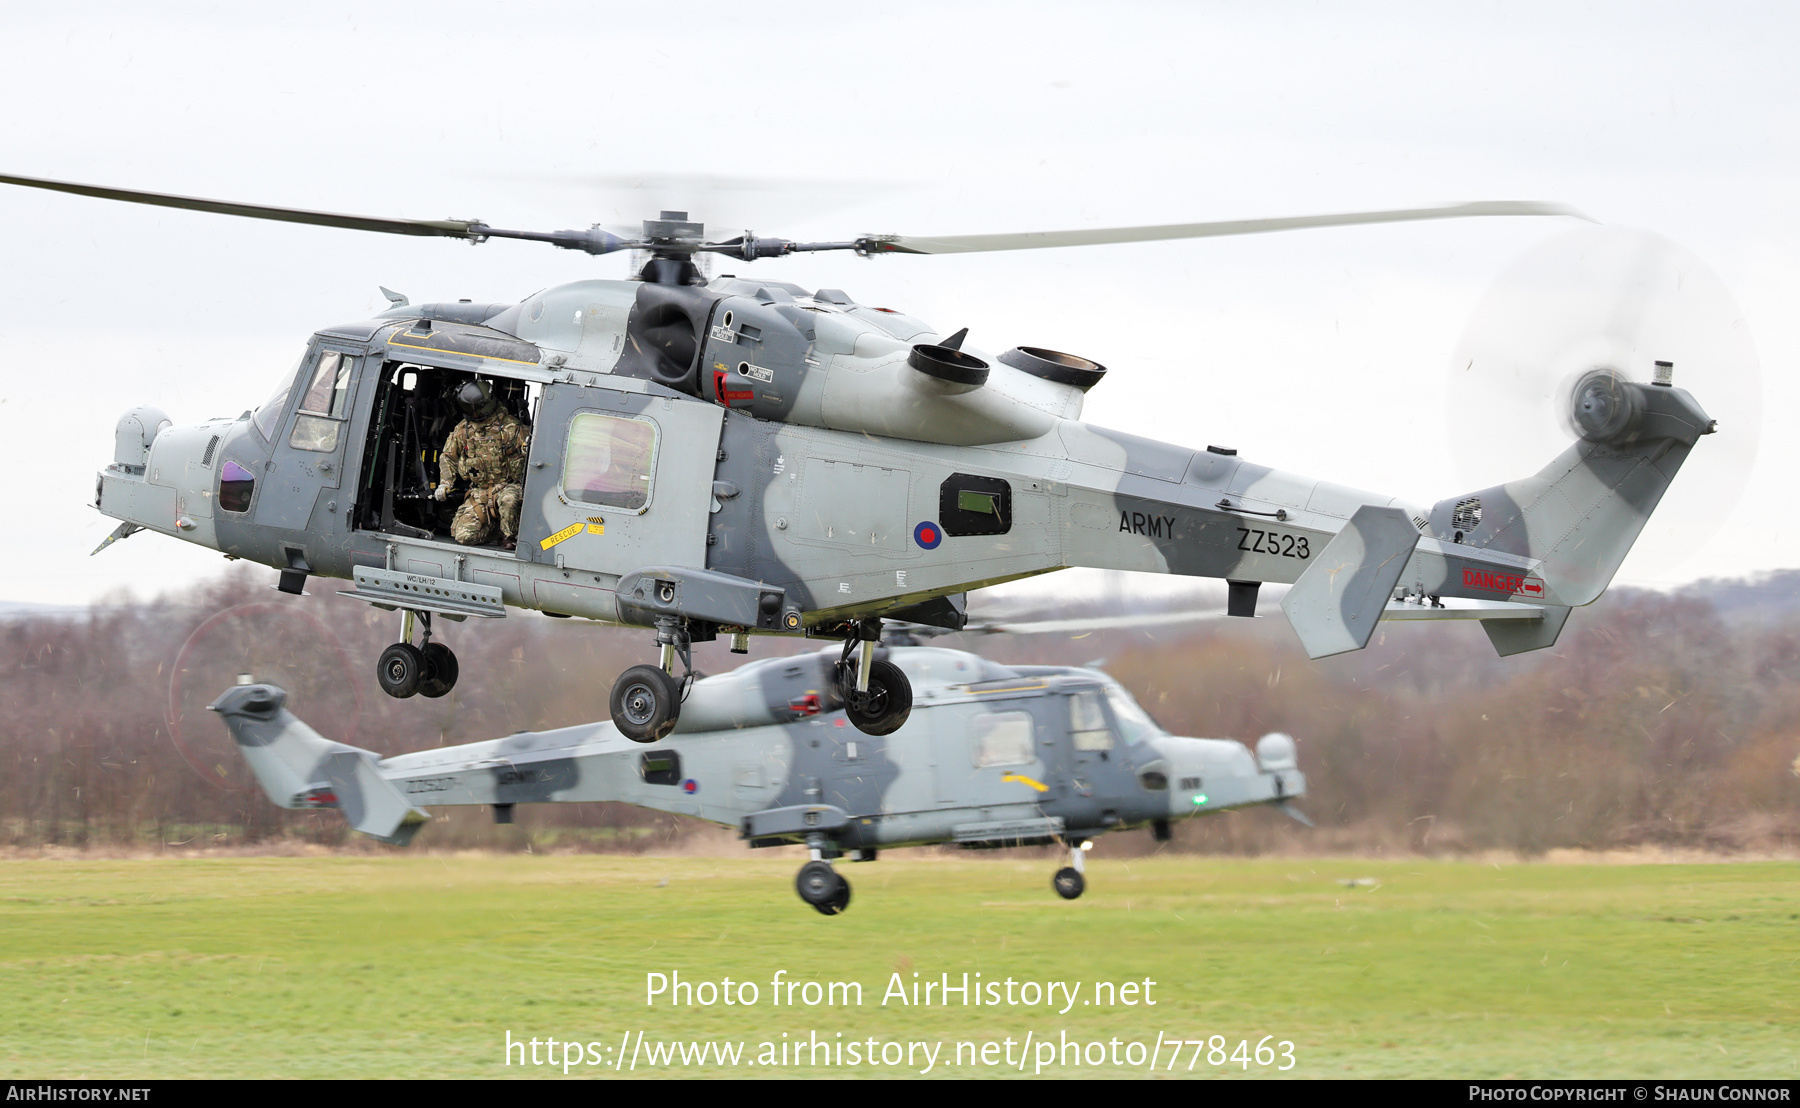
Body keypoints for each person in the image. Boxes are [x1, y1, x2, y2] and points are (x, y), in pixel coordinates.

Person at [435, 379, 530, 549]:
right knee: (463, 536)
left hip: (507, 486)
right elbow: (448, 456)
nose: (476, 414)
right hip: (479, 492)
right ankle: (495, 530)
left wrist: (526, 449)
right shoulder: (463, 430)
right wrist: (445, 483)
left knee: (509, 501)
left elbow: (530, 453)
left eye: (479, 409)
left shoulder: (511, 427)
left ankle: (509, 535)